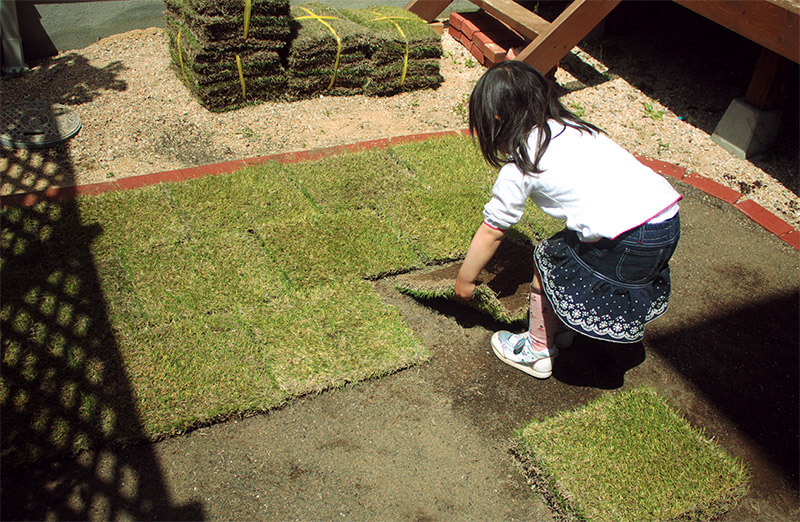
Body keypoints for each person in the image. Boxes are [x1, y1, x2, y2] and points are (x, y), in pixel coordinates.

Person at [455, 60, 681, 379]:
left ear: (496, 120)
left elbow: (492, 230)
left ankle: (537, 350)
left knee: (549, 261)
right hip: (667, 220)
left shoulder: (520, 166)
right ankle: (559, 328)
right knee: (574, 254)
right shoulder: (573, 128)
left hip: (631, 236)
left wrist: (465, 280)